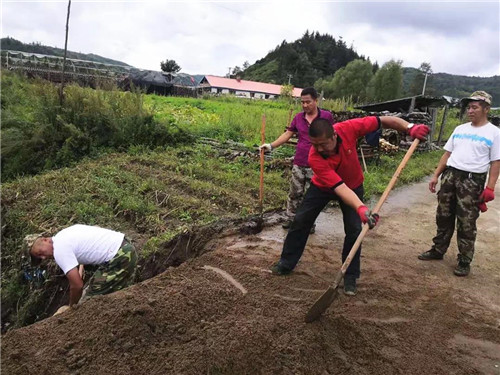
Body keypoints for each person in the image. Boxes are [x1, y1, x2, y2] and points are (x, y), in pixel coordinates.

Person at [271, 115, 429, 296]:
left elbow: (383, 120)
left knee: (354, 229)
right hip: (323, 186)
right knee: (300, 221)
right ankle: (286, 262)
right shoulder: (315, 157)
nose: (319, 149)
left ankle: (350, 276)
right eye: (315, 144)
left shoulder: (348, 128)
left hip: (353, 185)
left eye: (323, 144)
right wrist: (360, 207)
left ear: (334, 136)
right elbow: (339, 187)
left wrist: (409, 127)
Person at [418, 91, 500, 276]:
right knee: (443, 215)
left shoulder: (494, 133)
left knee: (466, 222)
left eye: (475, 107)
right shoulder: (460, 129)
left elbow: (496, 162)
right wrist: (435, 176)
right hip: (450, 175)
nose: (470, 111)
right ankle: (438, 249)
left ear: (486, 109)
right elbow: (447, 154)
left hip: (472, 180)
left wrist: (490, 187)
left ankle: (464, 260)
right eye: (469, 107)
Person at [260, 87, 334, 233]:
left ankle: (308, 223)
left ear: (316, 101)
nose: (305, 105)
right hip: (300, 161)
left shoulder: (326, 117)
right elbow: (288, 134)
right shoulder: (299, 118)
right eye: (302, 102)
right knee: (295, 192)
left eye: (308, 102)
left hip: (318, 164)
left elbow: (333, 136)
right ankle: (291, 219)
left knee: (311, 196)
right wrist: (271, 145)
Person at [25, 224, 137, 312]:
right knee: (112, 293)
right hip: (126, 248)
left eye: (40, 253)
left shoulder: (59, 249)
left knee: (87, 304)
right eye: (40, 258)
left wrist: (72, 307)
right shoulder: (64, 234)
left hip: (119, 256)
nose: (44, 257)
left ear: (45, 240)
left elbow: (77, 285)